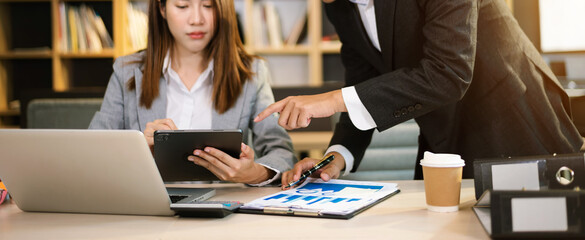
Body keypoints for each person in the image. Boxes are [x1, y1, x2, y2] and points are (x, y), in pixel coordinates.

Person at [254, 0, 584, 186]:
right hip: (442, 129)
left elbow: (448, 72)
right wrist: (335, 157)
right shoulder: (338, 6)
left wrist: (329, 100)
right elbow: (362, 80)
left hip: (513, 119)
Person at [89, 0, 296, 185]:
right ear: (162, 8)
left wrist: (254, 173)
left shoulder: (251, 73)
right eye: (182, 6)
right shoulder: (126, 72)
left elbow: (282, 152)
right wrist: (137, 149)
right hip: (145, 210)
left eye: (208, 6)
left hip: (222, 213)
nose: (197, 19)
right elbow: (91, 152)